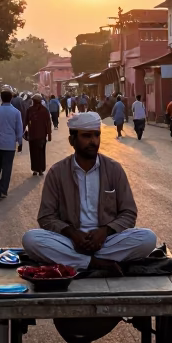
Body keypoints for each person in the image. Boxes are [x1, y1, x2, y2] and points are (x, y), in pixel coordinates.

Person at [22, 111, 157, 272]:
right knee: (31, 239)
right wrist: (72, 233)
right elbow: (46, 216)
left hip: (107, 240)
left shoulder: (114, 169)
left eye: (96, 135)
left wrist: (105, 232)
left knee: (148, 238)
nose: (93, 141)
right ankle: (94, 263)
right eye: (86, 136)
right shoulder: (57, 172)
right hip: (70, 241)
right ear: (72, 140)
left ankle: (78, 261)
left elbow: (128, 213)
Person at [0, 88, 24, 199]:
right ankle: (3, 190)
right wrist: (20, 142)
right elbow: (19, 129)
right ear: (11, 98)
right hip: (9, 145)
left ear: (1, 98)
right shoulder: (16, 112)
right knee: (7, 168)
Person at [25, 93, 52, 175]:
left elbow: (25, 122)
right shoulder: (45, 110)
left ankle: (35, 169)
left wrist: (23, 132)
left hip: (33, 135)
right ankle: (40, 169)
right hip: (42, 136)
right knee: (41, 152)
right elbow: (48, 123)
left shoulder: (30, 110)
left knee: (33, 153)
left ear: (33, 101)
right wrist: (49, 135)